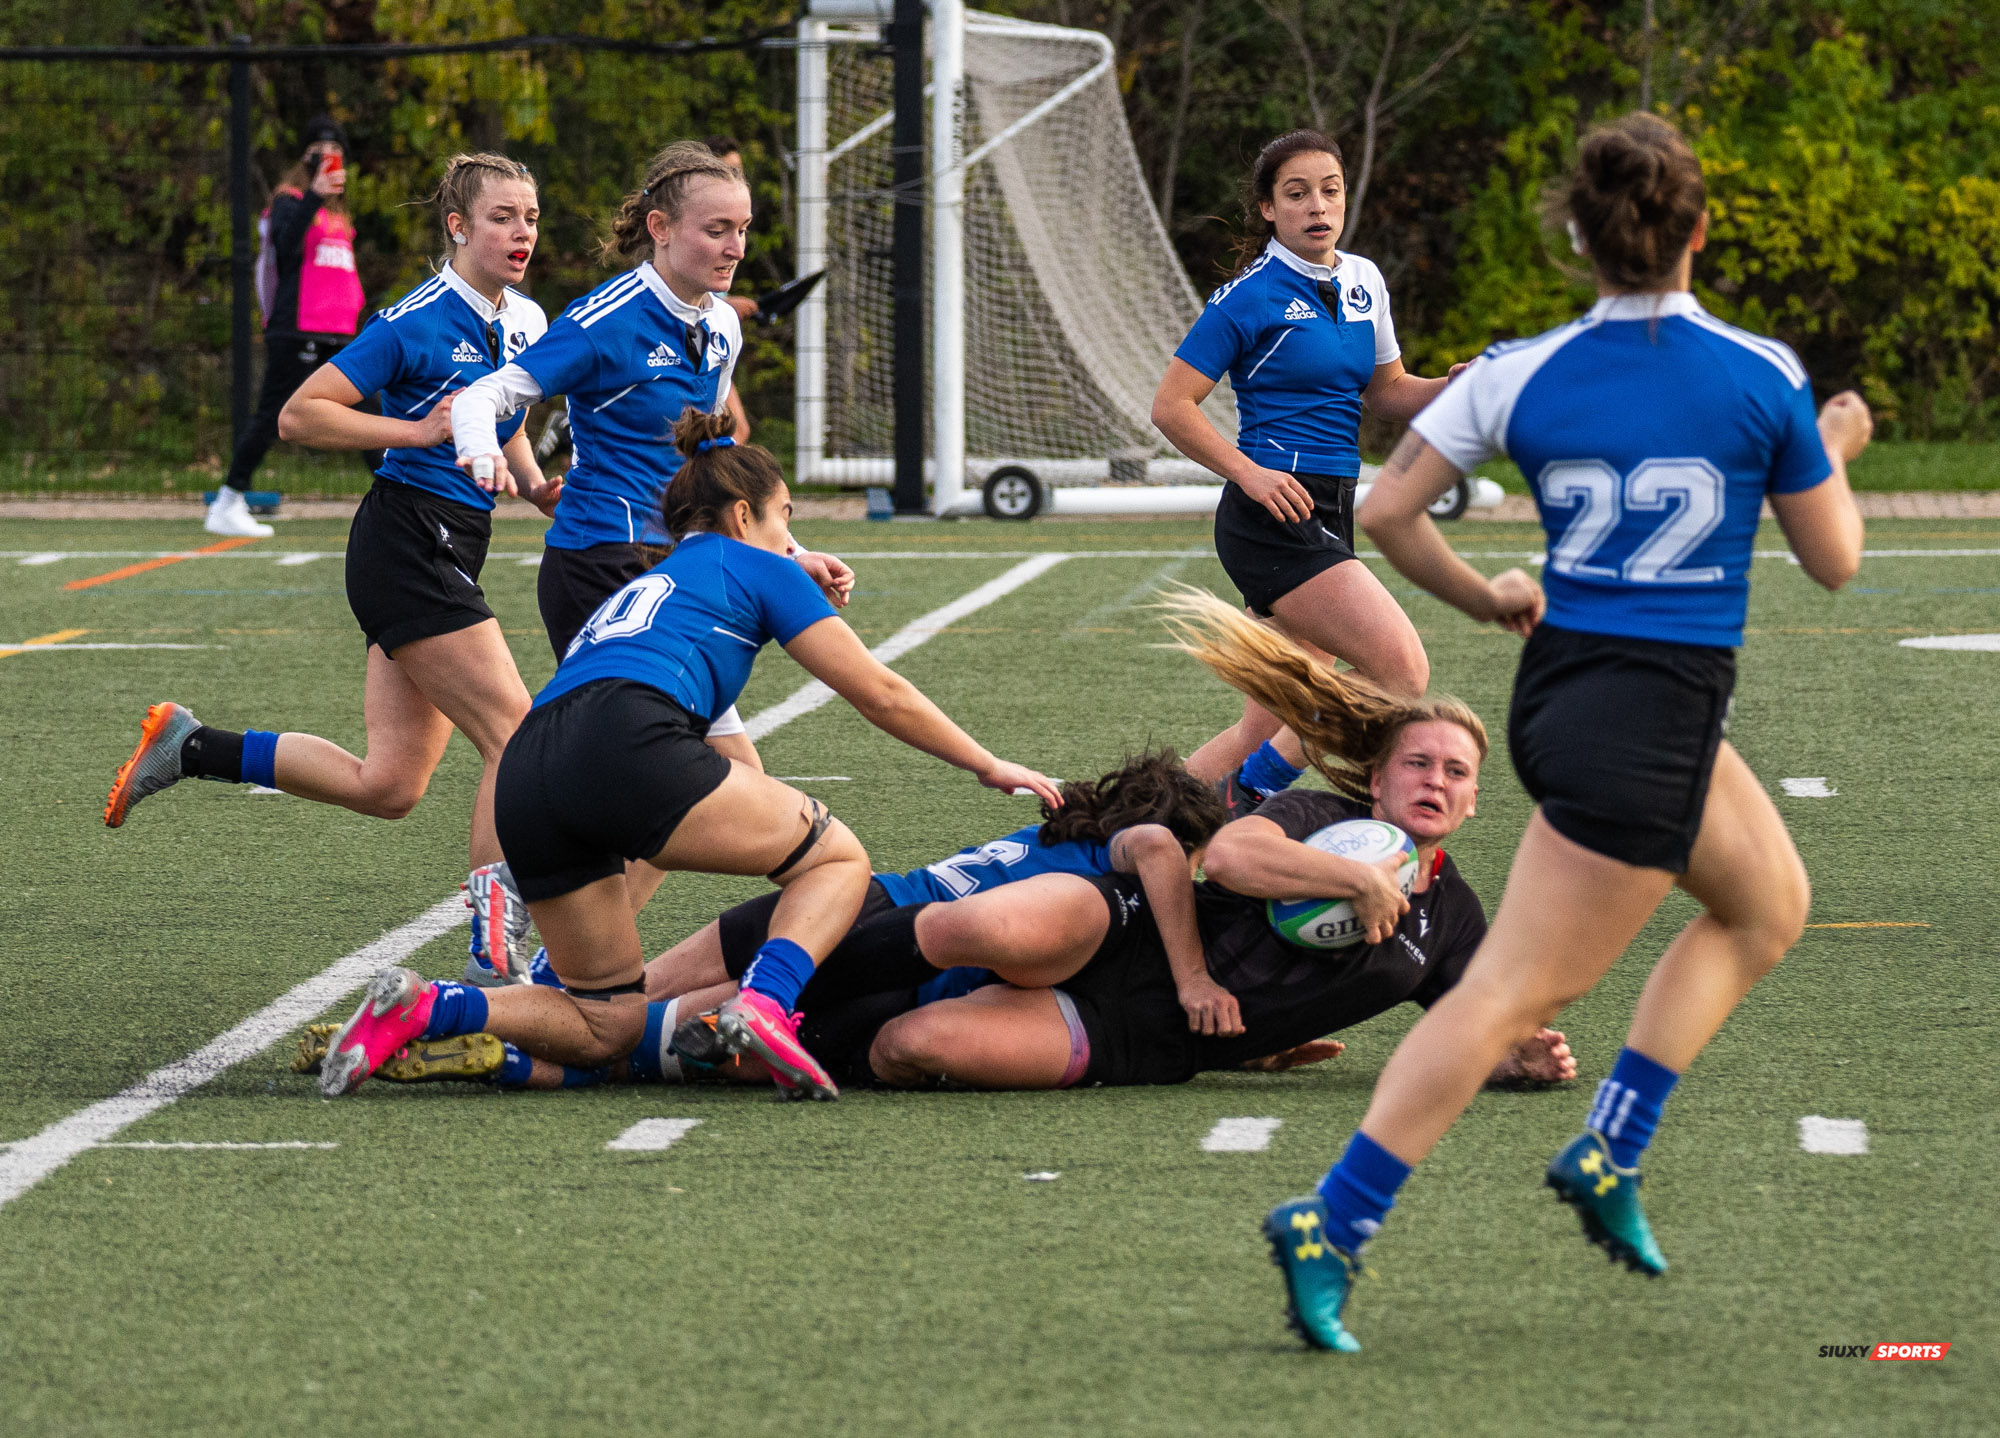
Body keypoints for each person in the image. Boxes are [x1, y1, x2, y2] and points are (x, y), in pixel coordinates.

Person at [1260, 112, 1872, 1354]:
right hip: (1646, 717)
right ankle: (1332, 1218)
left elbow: (1386, 509)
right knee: (1504, 994)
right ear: (1697, 231)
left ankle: (1608, 1148)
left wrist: (1482, 595)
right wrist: (1837, 447)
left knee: (1765, 905)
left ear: (1579, 244)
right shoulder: (1759, 371)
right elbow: (1834, 559)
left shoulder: (1521, 369)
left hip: (1569, 696)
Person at [316, 407, 1060, 1104]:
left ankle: (428, 1007)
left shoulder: (653, 579)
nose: (790, 540)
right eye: (786, 520)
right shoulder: (759, 567)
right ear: (745, 515)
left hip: (532, 763)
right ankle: (764, 1004)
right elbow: (881, 692)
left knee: (605, 1020)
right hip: (624, 735)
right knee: (835, 861)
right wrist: (987, 763)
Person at [779, 590, 1571, 1093]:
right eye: (1418, 763)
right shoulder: (1321, 819)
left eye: (1455, 772)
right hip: (1130, 938)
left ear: (1472, 802)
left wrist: (1513, 1058)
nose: (1435, 780)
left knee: (907, 1046)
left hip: (1142, 1039)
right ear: (1376, 779)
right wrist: (1354, 881)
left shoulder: (1454, 915)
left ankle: (763, 1044)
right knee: (972, 929)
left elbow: (1472, 1017)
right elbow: (1227, 857)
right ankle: (771, 986)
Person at [105, 153, 558, 983]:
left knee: (389, 785)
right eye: (502, 217)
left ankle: (193, 746)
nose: (522, 231)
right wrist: (420, 433)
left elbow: (504, 414)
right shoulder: (412, 322)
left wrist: (534, 486)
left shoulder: (527, 320)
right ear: (458, 227)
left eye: (530, 216)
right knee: (517, 736)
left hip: (455, 542)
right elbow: (300, 414)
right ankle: (498, 940)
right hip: (406, 542)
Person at [452, 140, 850, 785]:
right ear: (660, 229)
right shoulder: (604, 321)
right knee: (717, 776)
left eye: (743, 230)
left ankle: (530, 878)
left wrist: (788, 551)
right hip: (601, 562)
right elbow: (484, 395)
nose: (736, 248)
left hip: (672, 565)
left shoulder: (723, 325)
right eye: (717, 230)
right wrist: (479, 453)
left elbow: (715, 466)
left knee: (682, 779)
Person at [1150, 128, 1464, 808]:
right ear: (1268, 208)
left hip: (1332, 506)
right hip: (1272, 514)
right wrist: (1248, 473)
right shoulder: (1247, 296)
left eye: (1330, 190)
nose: (1317, 206)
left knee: (1265, 727)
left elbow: (1386, 391)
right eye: (1297, 194)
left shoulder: (1363, 280)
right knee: (1402, 669)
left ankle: (1118, 830)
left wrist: (1454, 385)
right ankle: (1256, 793)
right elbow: (1172, 407)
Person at [208, 115, 366, 539]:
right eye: (322, 153)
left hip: (338, 330)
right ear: (307, 158)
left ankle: (405, 498)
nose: (332, 161)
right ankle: (228, 500)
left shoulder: (340, 213)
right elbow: (284, 244)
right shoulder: (290, 200)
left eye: (338, 155)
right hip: (299, 328)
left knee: (370, 410)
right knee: (273, 413)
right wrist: (313, 196)